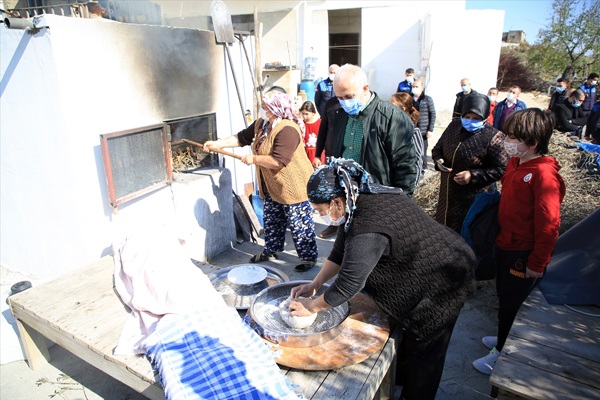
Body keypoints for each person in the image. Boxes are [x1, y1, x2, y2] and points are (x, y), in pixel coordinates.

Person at [288, 158, 477, 400]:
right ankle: (399, 378)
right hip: (434, 266)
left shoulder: (368, 223)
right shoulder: (358, 199)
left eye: (320, 210)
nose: (321, 216)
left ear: (336, 200)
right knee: (408, 338)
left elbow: (348, 283)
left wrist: (311, 307)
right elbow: (340, 251)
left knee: (427, 349)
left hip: (447, 277)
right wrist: (316, 283)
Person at [473, 108, 565, 375]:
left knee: (514, 302)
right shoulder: (517, 162)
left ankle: (501, 353)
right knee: (504, 295)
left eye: (513, 138)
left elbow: (549, 224)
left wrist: (537, 262)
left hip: (522, 251)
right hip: (504, 243)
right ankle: (504, 335)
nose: (507, 142)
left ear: (533, 143)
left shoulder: (544, 176)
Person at [203, 87, 318, 272]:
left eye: (266, 106)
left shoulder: (288, 129)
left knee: (299, 224)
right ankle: (271, 250)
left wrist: (254, 159)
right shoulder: (262, 124)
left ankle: (308, 257)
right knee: (272, 220)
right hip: (272, 185)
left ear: (276, 108)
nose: (263, 110)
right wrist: (218, 143)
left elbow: (279, 161)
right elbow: (241, 138)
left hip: (294, 186)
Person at [329, 64, 420, 196]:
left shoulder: (391, 117)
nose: (345, 102)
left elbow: (405, 166)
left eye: (349, 97)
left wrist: (401, 203)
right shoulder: (340, 115)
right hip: (346, 194)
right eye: (340, 98)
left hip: (379, 198)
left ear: (365, 89)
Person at [432, 93, 508, 233]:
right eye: (467, 117)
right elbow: (437, 149)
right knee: (444, 231)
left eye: (476, 118)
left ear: (484, 118)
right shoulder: (454, 127)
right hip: (447, 196)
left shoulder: (493, 137)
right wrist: (439, 161)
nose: (470, 121)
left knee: (466, 235)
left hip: (474, 199)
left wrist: (472, 175)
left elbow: (502, 168)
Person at [390, 92, 424, 180]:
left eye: (391, 105)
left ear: (402, 109)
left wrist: (411, 188)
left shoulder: (413, 131)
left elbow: (417, 161)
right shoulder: (390, 128)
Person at [412, 79, 436, 172]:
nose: (414, 88)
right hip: (412, 129)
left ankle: (423, 167)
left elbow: (432, 114)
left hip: (423, 129)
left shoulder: (427, 99)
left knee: (422, 150)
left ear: (422, 88)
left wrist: (430, 129)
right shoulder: (410, 98)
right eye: (413, 86)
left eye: (417, 86)